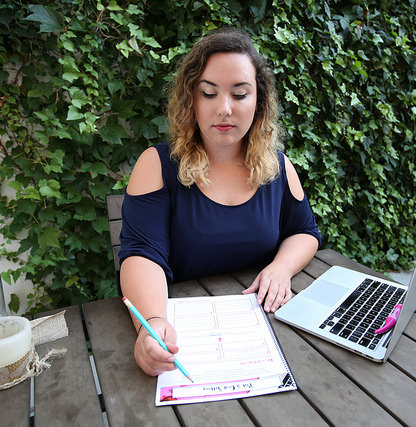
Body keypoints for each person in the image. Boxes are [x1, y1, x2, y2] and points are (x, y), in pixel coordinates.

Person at [118, 28, 321, 377]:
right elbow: (141, 253)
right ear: (191, 100)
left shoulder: (277, 165)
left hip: (268, 337)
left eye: (239, 94)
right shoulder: (156, 165)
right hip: (187, 344)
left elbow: (304, 231)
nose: (224, 109)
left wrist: (281, 267)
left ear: (258, 102)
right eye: (209, 93)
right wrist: (152, 322)